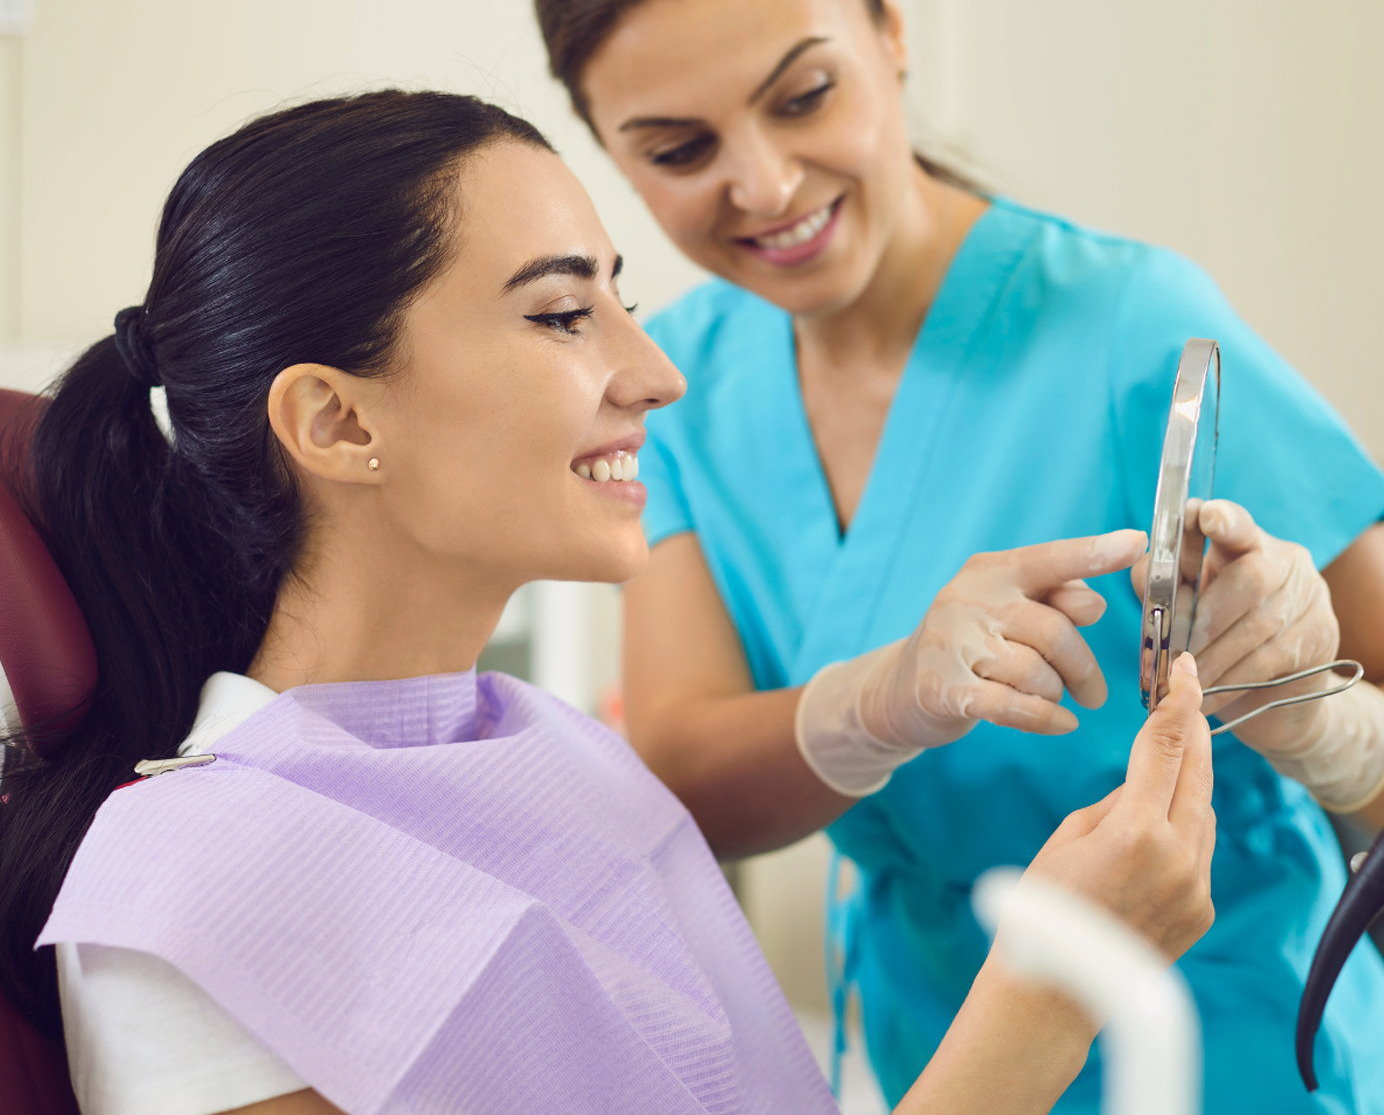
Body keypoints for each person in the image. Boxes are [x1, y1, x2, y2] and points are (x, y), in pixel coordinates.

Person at [0, 90, 1214, 1115]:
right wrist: (1048, 993)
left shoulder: (560, 757)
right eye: (562, 313)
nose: (656, 371)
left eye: (619, 298)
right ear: (337, 418)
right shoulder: (194, 893)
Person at [532, 0, 1384, 1111]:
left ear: (888, 20)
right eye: (678, 148)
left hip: (1226, 1050)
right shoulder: (670, 386)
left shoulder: (1131, 328)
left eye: (805, 95)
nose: (765, 185)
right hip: (943, 1049)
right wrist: (875, 703)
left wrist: (1321, 722)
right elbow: (682, 770)